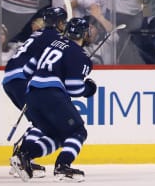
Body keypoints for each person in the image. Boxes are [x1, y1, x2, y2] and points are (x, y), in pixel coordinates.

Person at [10, 17, 97, 182]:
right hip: (50, 94)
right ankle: (62, 166)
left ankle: (24, 156)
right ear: (84, 35)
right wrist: (89, 89)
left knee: (56, 136)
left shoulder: (52, 44)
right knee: (78, 131)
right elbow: (74, 87)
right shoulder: (79, 54)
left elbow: (32, 68)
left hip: (32, 94)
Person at [2, 7, 67, 178]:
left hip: (10, 79)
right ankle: (21, 158)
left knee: (39, 120)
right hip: (23, 79)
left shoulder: (38, 34)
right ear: (60, 23)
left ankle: (21, 160)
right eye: (63, 22)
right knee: (45, 120)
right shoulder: (55, 38)